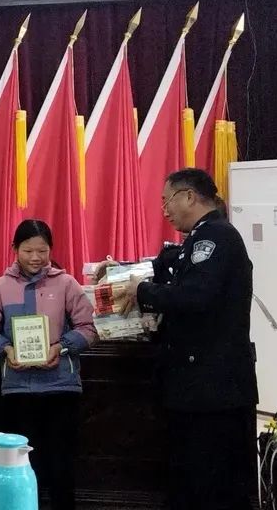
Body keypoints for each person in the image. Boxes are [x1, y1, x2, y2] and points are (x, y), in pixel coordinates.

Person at [110, 168, 256, 510]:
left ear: (189, 196)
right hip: (198, 388)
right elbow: (173, 269)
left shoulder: (215, 237)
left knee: (211, 484)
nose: (164, 210)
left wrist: (142, 291)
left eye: (167, 201)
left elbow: (195, 296)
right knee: (191, 480)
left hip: (211, 390)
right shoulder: (200, 238)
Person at [0, 219, 97, 510]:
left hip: (61, 388)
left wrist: (61, 346)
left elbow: (89, 328)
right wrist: (6, 349)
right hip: (18, 390)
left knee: (62, 464)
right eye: (28, 251)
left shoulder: (66, 284)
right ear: (15, 249)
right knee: (25, 465)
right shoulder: (0, 287)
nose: (36, 257)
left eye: (42, 251)